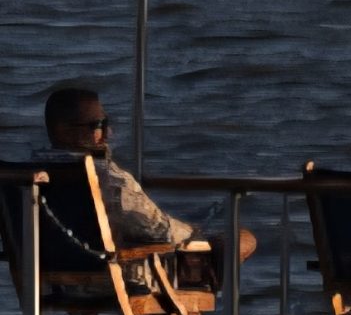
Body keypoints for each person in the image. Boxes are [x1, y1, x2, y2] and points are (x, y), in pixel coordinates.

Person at [41, 86, 254, 270]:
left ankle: (173, 313)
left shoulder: (28, 176)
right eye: (97, 125)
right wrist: (197, 234)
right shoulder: (105, 177)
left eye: (107, 123)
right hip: (111, 277)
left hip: (49, 281)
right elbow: (159, 231)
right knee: (240, 239)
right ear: (63, 131)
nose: (109, 133)